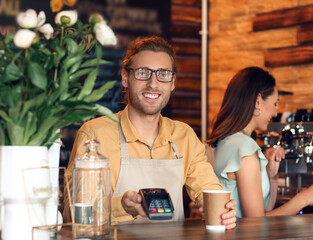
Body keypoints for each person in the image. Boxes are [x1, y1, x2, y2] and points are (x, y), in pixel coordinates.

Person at [63, 36, 236, 228]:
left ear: (172, 82)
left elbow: (209, 189)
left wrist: (224, 211)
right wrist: (121, 206)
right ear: (125, 78)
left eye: (163, 74)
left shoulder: (184, 135)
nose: (153, 83)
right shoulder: (95, 135)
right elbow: (73, 214)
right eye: (143, 72)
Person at [206, 66, 313, 218]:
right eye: (275, 103)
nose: (276, 113)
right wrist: (305, 198)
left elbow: (265, 208)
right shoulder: (245, 148)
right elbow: (255, 222)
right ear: (257, 101)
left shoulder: (224, 141)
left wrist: (270, 174)